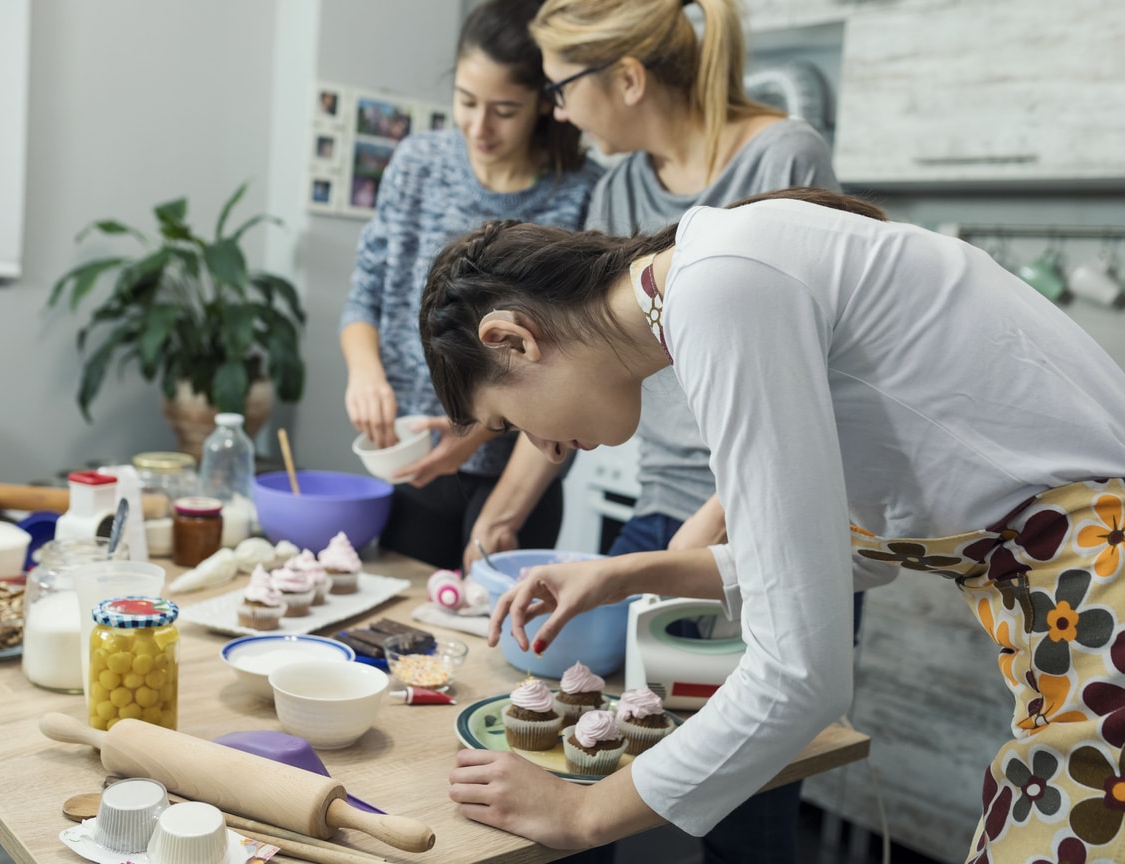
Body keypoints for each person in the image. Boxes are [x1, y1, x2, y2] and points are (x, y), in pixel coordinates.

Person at [421, 187, 1125, 863]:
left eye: (509, 421)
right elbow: (854, 555)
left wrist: (583, 813)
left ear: (512, 340)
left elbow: (801, 676)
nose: (541, 446)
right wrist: (626, 574)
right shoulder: (716, 273)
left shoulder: (721, 287)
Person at [459, 0, 845, 859]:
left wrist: (691, 550)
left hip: (763, 508)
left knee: (747, 791)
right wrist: (508, 509)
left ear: (626, 79)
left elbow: (787, 415)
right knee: (608, 750)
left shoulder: (771, 176)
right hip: (667, 511)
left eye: (559, 87)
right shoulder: (619, 185)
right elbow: (566, 364)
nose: (556, 110)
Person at [338, 0, 602, 570]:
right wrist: (364, 373)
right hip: (415, 461)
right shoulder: (416, 164)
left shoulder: (581, 194)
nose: (479, 128)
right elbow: (365, 295)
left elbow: (572, 366)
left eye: (504, 110)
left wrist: (480, 429)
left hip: (518, 472)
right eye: (465, 101)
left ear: (545, 101)